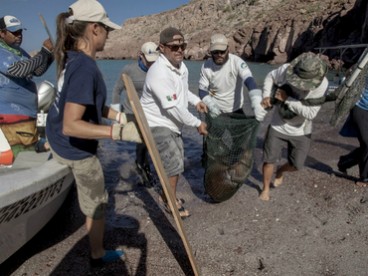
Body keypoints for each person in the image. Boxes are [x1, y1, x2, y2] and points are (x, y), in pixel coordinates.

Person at [46, 0, 142, 267]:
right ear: (94, 29)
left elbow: (89, 102)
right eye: (107, 29)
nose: (109, 35)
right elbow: (72, 125)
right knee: (98, 201)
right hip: (74, 147)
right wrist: (119, 132)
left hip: (54, 136)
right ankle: (97, 254)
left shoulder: (71, 58)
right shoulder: (86, 67)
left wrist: (119, 115)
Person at [140, 27, 208, 218]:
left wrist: (196, 101)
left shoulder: (182, 67)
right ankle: (170, 200)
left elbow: (182, 93)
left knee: (176, 162)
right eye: (174, 46)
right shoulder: (158, 72)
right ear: (162, 48)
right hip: (156, 123)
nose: (180, 50)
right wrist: (197, 124)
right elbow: (173, 108)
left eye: (183, 46)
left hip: (172, 122)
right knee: (175, 163)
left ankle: (166, 194)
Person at [259, 52, 329, 201]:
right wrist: (266, 95)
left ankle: (281, 171)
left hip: (301, 129)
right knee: (269, 159)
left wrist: (287, 100)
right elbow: (270, 76)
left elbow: (311, 113)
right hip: (278, 124)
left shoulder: (322, 84)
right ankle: (265, 188)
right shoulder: (285, 69)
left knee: (297, 165)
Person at [0, 15, 54, 162]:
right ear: (1, 33)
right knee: (22, 158)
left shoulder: (20, 52)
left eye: (20, 32)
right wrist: (43, 52)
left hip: (27, 115)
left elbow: (35, 71)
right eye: (14, 32)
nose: (19, 36)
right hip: (11, 117)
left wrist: (49, 56)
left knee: (29, 155)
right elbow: (19, 70)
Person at [111, 41, 159, 187]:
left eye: (154, 61)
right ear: (140, 55)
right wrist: (116, 116)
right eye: (148, 61)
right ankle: (143, 170)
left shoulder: (158, 68)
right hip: (132, 112)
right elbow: (117, 90)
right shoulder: (129, 70)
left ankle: (143, 166)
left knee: (151, 142)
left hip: (149, 112)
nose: (151, 64)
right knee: (143, 142)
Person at [198, 33, 266, 120]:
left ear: (228, 50)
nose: (219, 55)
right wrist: (211, 105)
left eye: (222, 51)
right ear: (211, 52)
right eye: (215, 52)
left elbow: (249, 80)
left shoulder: (237, 62)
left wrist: (256, 100)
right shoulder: (206, 66)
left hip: (236, 110)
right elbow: (202, 91)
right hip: (215, 111)